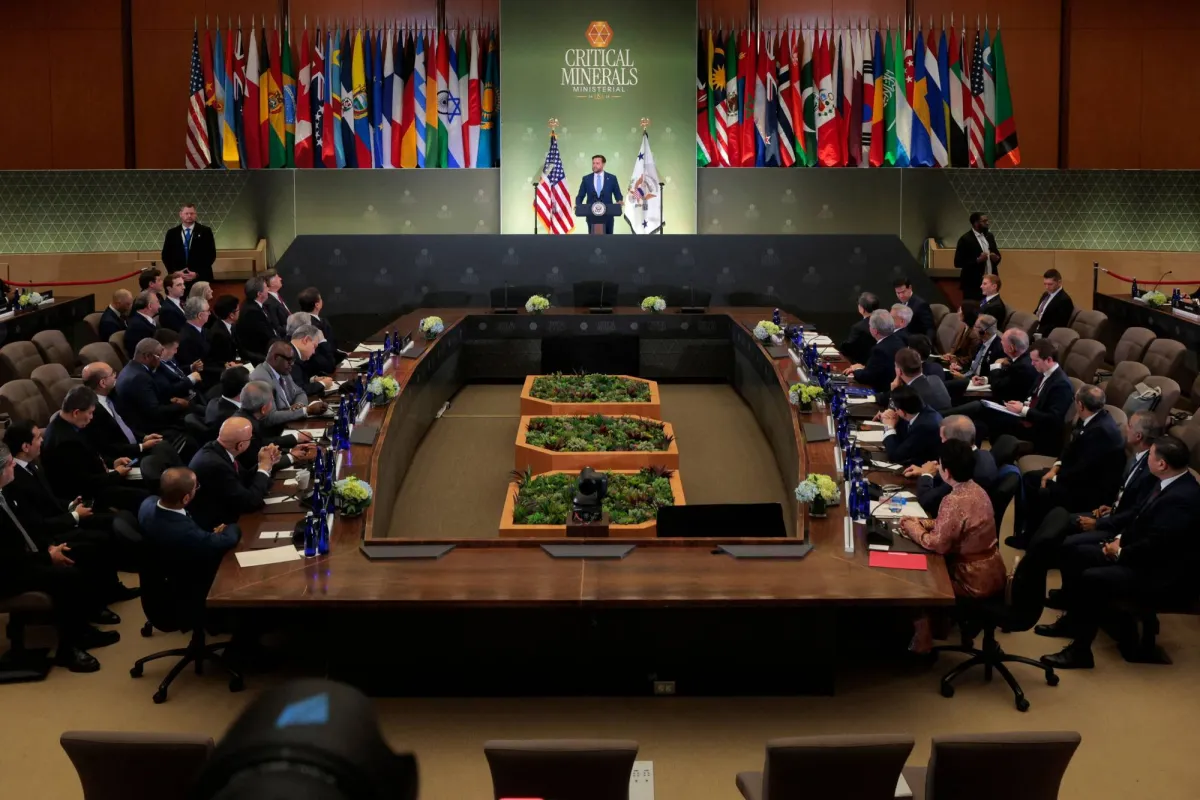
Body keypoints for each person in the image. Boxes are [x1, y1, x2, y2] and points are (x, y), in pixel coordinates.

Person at [1038, 436, 1200, 669]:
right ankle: (1072, 621)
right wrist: (1119, 540)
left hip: (1160, 573)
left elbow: (1159, 545)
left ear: (1162, 464)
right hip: (1141, 552)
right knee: (1075, 554)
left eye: (1151, 455)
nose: (1147, 458)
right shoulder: (1167, 481)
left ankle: (1080, 652)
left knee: (1092, 578)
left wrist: (1120, 551)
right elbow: (1140, 517)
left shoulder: (1182, 498)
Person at [0, 443, 118, 673]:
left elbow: (28, 527)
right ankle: (68, 649)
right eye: (10, 463)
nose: (14, 465)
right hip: (7, 573)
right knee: (67, 577)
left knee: (83, 553)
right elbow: (9, 560)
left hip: (24, 557)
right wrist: (48, 557)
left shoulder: (6, 492)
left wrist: (49, 548)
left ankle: (83, 627)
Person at [3, 421, 138, 608]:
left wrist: (70, 505)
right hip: (49, 533)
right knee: (97, 542)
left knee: (107, 525)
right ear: (26, 446)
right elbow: (34, 523)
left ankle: (112, 588)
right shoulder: (14, 481)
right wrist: (74, 516)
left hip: (59, 519)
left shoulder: (32, 466)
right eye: (38, 437)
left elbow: (49, 499)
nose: (42, 441)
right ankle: (101, 599)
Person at [900, 439, 1007, 653]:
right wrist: (923, 523)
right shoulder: (978, 490)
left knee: (916, 580)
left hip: (971, 579)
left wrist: (912, 528)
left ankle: (923, 641)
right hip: (993, 571)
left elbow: (937, 544)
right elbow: (953, 525)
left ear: (946, 471)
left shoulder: (954, 500)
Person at [1030, 411, 1162, 569]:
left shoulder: (1150, 469)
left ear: (1138, 436)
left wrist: (1098, 523)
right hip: (1111, 513)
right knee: (1057, 519)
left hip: (1118, 528)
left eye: (1129, 426)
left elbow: (1136, 512)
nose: (1126, 428)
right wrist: (1111, 507)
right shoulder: (1138, 457)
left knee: (1066, 543)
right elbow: (1127, 496)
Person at [1009, 385, 1126, 549]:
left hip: (1089, 490)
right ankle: (1027, 532)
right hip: (1075, 474)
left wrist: (1055, 478)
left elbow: (1084, 470)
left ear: (1080, 405)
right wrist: (1054, 468)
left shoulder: (1102, 432)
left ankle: (1032, 538)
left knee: (1038, 485)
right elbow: (1070, 447)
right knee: (1030, 478)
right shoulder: (1092, 417)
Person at [40, 387, 149, 515]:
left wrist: (113, 462)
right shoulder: (65, 442)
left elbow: (92, 455)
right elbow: (85, 483)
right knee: (144, 497)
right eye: (90, 413)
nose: (91, 417)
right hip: (88, 495)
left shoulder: (71, 425)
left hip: (101, 477)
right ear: (76, 413)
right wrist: (116, 474)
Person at [981, 338, 1075, 455]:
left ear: (1049, 360)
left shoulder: (1061, 384)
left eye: (1035, 361)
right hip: (1029, 420)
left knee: (997, 424)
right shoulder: (1043, 373)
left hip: (1042, 433)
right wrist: (1021, 405)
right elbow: (1033, 397)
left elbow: (1053, 419)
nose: (1032, 364)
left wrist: (1023, 409)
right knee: (990, 417)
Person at [187, 417, 279, 530]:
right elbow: (250, 503)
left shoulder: (218, 450)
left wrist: (265, 463)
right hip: (219, 526)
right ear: (240, 445)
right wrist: (264, 467)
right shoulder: (215, 465)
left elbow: (244, 479)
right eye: (251, 438)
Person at [138, 467, 241, 559]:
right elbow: (228, 540)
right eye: (196, 487)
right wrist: (229, 527)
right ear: (186, 498)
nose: (197, 488)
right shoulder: (186, 531)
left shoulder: (147, 503)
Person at [907, 415, 998, 516]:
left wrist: (926, 474)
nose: (942, 442)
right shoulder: (984, 454)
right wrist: (934, 470)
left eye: (943, 438)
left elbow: (926, 501)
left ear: (954, 442)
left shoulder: (965, 472)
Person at [79, 362, 164, 462]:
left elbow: (125, 425)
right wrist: (141, 447)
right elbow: (108, 446)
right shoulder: (91, 412)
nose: (116, 376)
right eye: (112, 374)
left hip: (135, 446)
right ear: (103, 383)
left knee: (165, 446)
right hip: (123, 459)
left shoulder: (112, 395)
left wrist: (144, 437)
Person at [115, 338, 192, 436]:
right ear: (147, 356)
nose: (160, 360)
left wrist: (170, 400)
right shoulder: (139, 378)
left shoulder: (131, 368)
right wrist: (180, 405)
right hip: (150, 428)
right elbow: (155, 412)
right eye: (159, 356)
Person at [233, 381, 316, 472]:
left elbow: (261, 443)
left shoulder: (244, 416)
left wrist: (290, 450)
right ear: (264, 409)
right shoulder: (247, 429)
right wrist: (292, 457)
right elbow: (256, 465)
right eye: (272, 402)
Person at [249, 342, 328, 430]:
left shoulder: (282, 370)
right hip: (276, 431)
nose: (292, 364)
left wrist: (299, 405)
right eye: (289, 360)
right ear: (276, 357)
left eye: (293, 360)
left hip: (291, 424)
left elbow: (300, 392)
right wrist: (306, 410)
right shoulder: (261, 379)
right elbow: (270, 417)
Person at [844, 310, 905, 399]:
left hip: (883, 394)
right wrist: (864, 367)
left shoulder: (880, 350)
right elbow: (878, 369)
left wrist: (855, 371)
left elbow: (868, 377)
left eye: (870, 325)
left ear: (875, 331)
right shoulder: (898, 341)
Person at [879, 385, 943, 466]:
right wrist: (890, 417)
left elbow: (895, 456)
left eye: (895, 408)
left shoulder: (924, 427)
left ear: (902, 412)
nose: (894, 411)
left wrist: (888, 427)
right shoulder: (919, 410)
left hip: (923, 467)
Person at [160, 203, 216, 285]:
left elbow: (211, 255)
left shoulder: (206, 231)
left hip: (200, 278)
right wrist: (175, 272)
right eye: (186, 213)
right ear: (180, 214)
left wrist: (197, 273)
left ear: (195, 214)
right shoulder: (172, 233)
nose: (189, 216)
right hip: (178, 279)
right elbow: (166, 255)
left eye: (192, 213)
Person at [953, 212, 1002, 301]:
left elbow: (997, 254)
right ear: (976, 223)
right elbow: (958, 262)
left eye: (987, 220)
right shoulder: (965, 239)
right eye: (984, 221)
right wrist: (977, 260)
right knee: (974, 308)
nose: (987, 223)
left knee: (991, 307)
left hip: (990, 283)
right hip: (973, 285)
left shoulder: (989, 236)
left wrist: (996, 258)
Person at [297, 286, 348, 366]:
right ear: (317, 305)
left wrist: (344, 354)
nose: (322, 301)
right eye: (320, 299)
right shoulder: (312, 326)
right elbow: (323, 351)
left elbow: (332, 347)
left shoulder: (320, 321)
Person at [575, 154, 623, 235]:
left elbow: (618, 194)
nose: (594, 165)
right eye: (593, 163)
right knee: (592, 240)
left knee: (608, 239)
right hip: (591, 215)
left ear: (603, 164)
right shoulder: (586, 179)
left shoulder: (612, 178)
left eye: (597, 163)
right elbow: (580, 195)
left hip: (608, 216)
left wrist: (619, 201)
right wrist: (578, 205)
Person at [891, 347, 951, 412]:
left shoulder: (908, 396)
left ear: (899, 371)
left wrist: (894, 392)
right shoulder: (935, 378)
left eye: (895, 366)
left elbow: (893, 414)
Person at [178, 297, 220, 389]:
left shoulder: (203, 330)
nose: (210, 313)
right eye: (208, 310)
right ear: (200, 315)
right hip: (204, 381)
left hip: (212, 371)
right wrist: (224, 369)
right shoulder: (186, 339)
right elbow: (198, 367)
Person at [234, 277, 279, 364]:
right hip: (261, 354)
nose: (268, 289)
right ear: (259, 294)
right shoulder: (252, 312)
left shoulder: (254, 304)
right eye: (266, 287)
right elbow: (267, 336)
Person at [285, 321, 334, 397]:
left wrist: (312, 380)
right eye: (314, 346)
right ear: (306, 340)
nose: (314, 352)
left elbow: (297, 381)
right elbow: (298, 390)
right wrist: (322, 384)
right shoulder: (291, 356)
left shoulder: (291, 350)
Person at [838, 292, 879, 366]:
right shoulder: (885, 322)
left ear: (862, 309)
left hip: (862, 364)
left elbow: (849, 348)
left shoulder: (858, 327)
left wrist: (841, 346)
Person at [1033, 269, 1075, 337]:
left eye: (1050, 284)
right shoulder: (1045, 294)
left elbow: (1057, 325)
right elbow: (1037, 312)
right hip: (1035, 329)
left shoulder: (1064, 300)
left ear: (1059, 282)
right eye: (1045, 284)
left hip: (1045, 335)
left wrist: (1036, 333)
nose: (1047, 287)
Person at [209, 294, 243, 366]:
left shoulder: (232, 326)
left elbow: (241, 350)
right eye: (238, 310)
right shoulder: (218, 334)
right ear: (231, 315)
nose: (240, 312)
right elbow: (222, 360)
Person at [124, 290, 160, 355]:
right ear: (150, 306)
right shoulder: (138, 326)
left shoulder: (141, 320)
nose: (159, 305)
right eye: (157, 302)